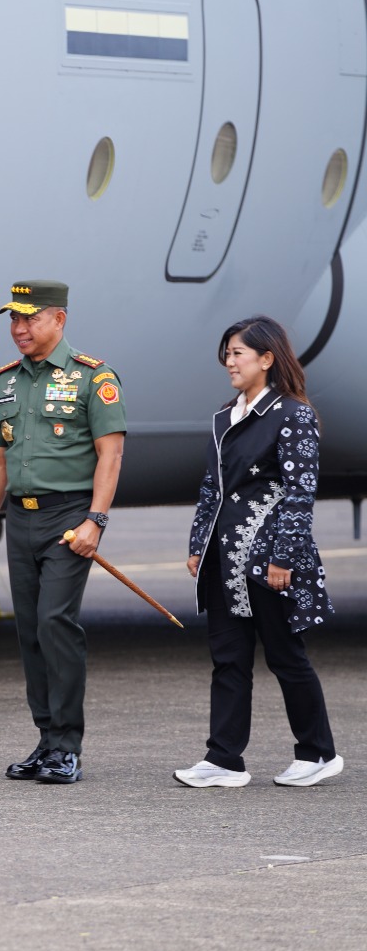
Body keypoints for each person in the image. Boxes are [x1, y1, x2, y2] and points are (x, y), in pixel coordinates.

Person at [176, 316, 342, 789]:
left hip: (269, 557)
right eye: (226, 353)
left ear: (267, 359)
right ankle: (224, 759)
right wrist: (197, 545)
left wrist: (284, 556)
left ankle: (317, 753)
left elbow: (299, 492)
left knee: (287, 656)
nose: (229, 361)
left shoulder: (292, 414)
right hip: (224, 559)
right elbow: (213, 487)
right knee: (228, 658)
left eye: (238, 353)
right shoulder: (224, 416)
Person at [0, 280, 126, 785]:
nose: (19, 329)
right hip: (21, 518)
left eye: (30, 318)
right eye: (13, 319)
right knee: (29, 631)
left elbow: (111, 453)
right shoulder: (6, 382)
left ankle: (67, 745)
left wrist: (95, 522)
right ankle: (46, 739)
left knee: (55, 622)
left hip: (69, 518)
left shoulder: (93, 377)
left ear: (58, 320)